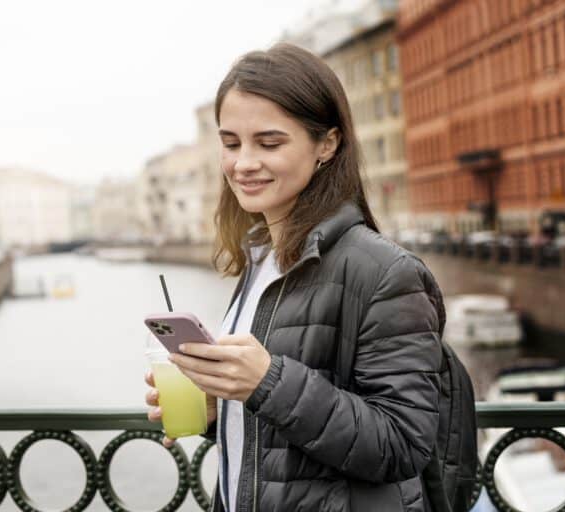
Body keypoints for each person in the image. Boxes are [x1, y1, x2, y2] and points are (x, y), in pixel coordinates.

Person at [145, 43, 444, 511]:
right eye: (230, 143)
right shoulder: (260, 258)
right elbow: (285, 429)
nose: (243, 163)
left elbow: (402, 445)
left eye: (269, 143)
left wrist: (266, 382)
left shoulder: (387, 273)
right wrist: (219, 407)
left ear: (327, 143)